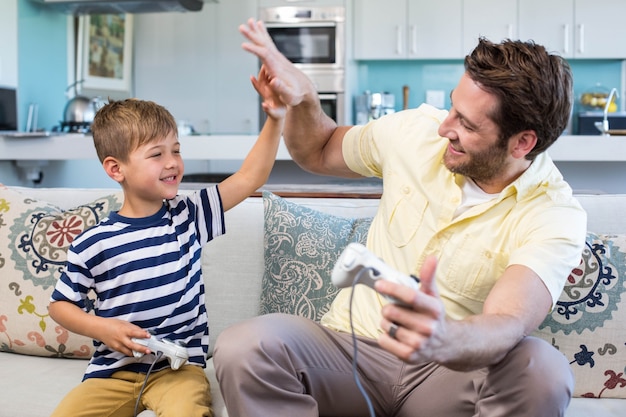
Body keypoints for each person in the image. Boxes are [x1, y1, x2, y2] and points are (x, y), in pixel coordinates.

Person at [212, 19, 587, 417]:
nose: (445, 128)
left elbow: (507, 320)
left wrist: (444, 338)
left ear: (522, 143)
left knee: (542, 367)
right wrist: (305, 98)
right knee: (244, 346)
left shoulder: (553, 212)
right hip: (348, 353)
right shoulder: (415, 133)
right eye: (452, 108)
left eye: (467, 123)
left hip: (447, 372)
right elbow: (319, 149)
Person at [48, 73, 285, 417]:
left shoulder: (189, 215)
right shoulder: (92, 243)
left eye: (176, 150)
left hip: (178, 371)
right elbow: (60, 306)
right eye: (156, 154)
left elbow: (250, 177)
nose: (172, 162)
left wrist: (275, 118)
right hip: (111, 374)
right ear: (116, 169)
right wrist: (102, 328)